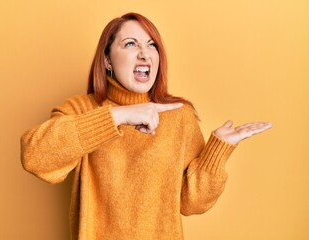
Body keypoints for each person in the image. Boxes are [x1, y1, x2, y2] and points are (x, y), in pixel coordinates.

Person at [20, 12, 272, 240]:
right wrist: (117, 116)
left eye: (152, 45)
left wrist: (217, 151)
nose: (144, 53)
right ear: (107, 59)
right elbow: (36, 158)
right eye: (130, 44)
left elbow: (191, 203)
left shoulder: (178, 115)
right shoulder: (81, 109)